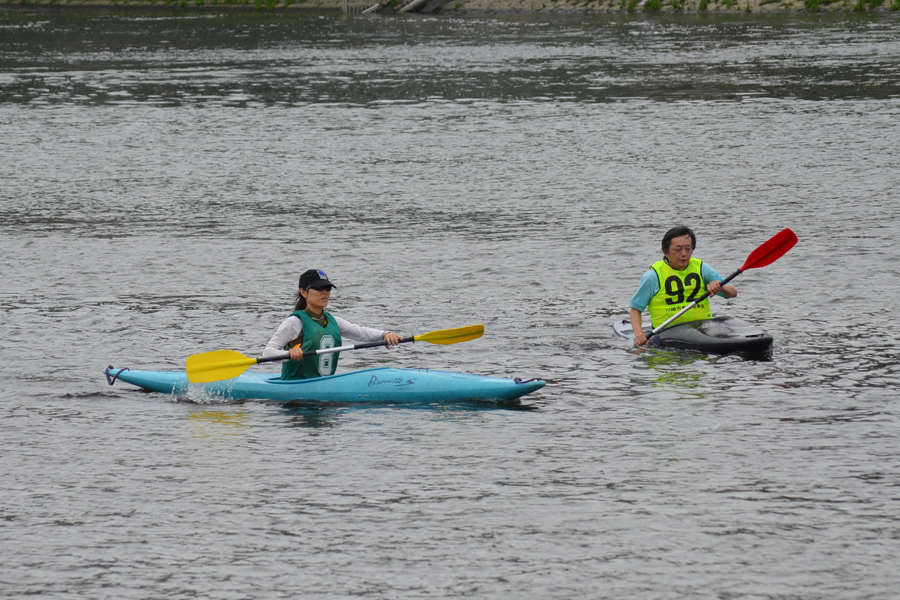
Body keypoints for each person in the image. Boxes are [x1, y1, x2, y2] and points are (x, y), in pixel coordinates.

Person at [263, 269, 402, 380]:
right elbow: (267, 352)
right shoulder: (295, 322)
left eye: (328, 288)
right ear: (303, 292)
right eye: (319, 288)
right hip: (295, 397)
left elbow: (361, 333)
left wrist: (385, 335)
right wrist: (288, 353)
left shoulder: (333, 321)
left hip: (324, 388)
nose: (325, 292)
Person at [629, 226, 737, 346]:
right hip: (667, 334)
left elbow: (732, 292)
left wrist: (721, 288)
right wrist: (639, 334)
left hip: (702, 329)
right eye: (678, 249)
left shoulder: (702, 268)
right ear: (665, 251)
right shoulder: (652, 277)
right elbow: (635, 309)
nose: (684, 254)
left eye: (688, 248)